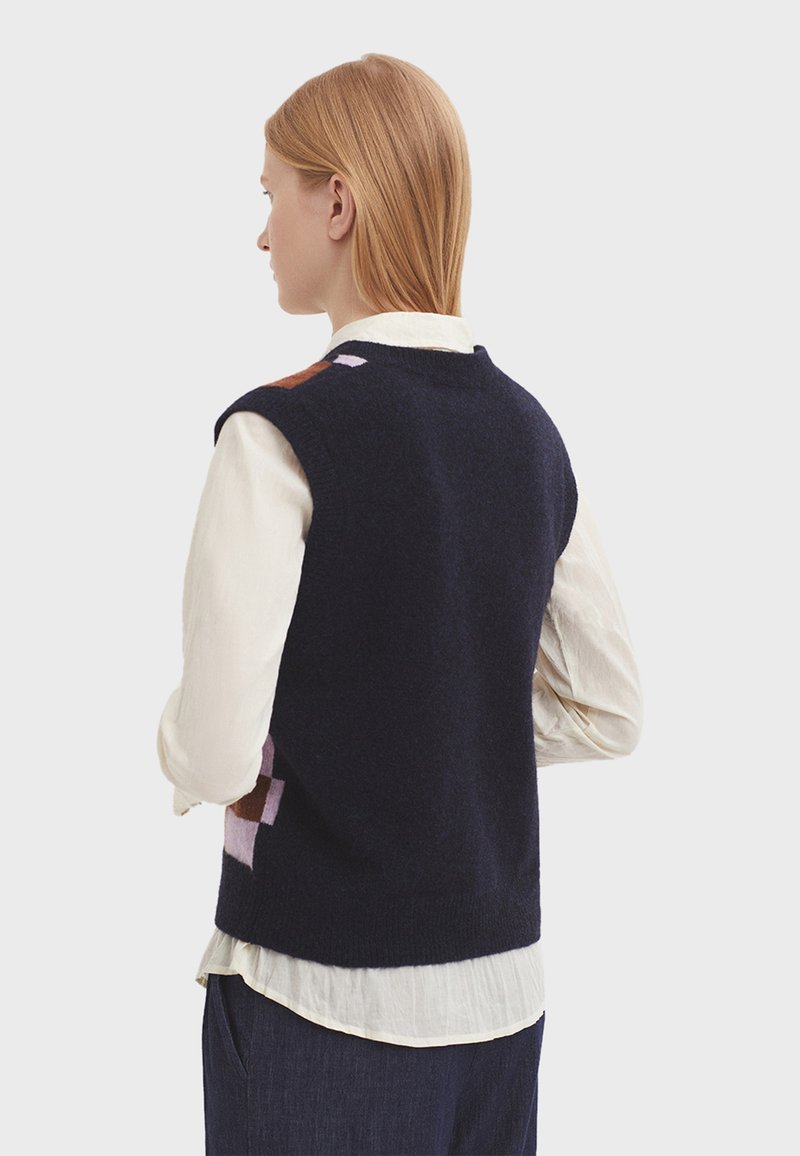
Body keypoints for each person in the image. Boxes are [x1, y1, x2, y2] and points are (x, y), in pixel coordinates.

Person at [157, 52, 643, 1156]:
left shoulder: (276, 432)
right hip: (502, 1000)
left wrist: (173, 744)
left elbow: (217, 749)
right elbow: (610, 708)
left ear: (338, 202)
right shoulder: (526, 430)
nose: (262, 232)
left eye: (272, 193)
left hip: (314, 993)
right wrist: (440, 724)